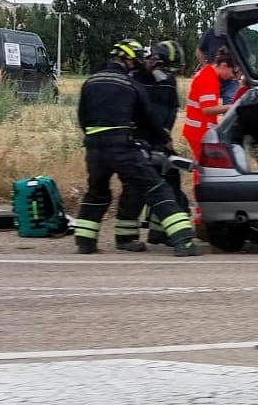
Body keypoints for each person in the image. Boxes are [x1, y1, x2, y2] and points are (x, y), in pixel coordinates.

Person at [72, 39, 200, 257]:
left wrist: (94, 139)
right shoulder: (130, 84)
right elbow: (148, 117)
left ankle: (85, 242)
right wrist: (164, 139)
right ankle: (184, 241)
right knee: (156, 188)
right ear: (127, 59)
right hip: (122, 148)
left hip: (94, 150)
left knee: (97, 193)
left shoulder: (91, 81)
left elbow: (82, 116)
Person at [130, 40, 188, 246]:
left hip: (161, 139)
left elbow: (172, 107)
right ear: (153, 61)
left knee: (171, 179)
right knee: (144, 186)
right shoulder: (135, 78)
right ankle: (130, 234)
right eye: (166, 69)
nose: (168, 74)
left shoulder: (168, 80)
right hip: (140, 139)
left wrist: (166, 132)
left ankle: (159, 232)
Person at [182, 48, 238, 164]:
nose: (232, 76)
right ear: (223, 65)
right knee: (204, 169)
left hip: (199, 130)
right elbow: (207, 110)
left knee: (204, 167)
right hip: (199, 131)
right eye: (232, 72)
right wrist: (232, 107)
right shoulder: (208, 79)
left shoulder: (207, 74)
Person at [196, 26, 239, 104]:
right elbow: (199, 51)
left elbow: (247, 57)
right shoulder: (210, 33)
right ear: (224, 65)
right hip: (211, 78)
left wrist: (238, 75)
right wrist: (205, 67)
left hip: (229, 82)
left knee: (231, 101)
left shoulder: (237, 35)